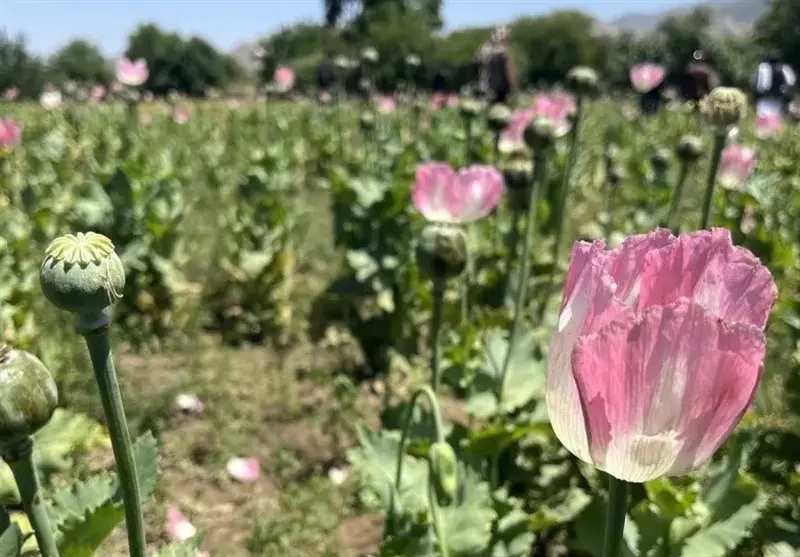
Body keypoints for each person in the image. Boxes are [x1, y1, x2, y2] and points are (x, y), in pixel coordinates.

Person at [475, 26, 518, 105]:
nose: (503, 36)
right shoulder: (502, 51)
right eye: (501, 34)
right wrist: (515, 91)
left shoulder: (484, 49)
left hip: (489, 89)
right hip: (495, 90)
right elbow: (510, 73)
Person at [751, 50, 796, 116]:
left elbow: (756, 84)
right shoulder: (785, 68)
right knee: (776, 119)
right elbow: (791, 82)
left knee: (763, 119)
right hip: (779, 99)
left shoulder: (763, 67)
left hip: (764, 98)